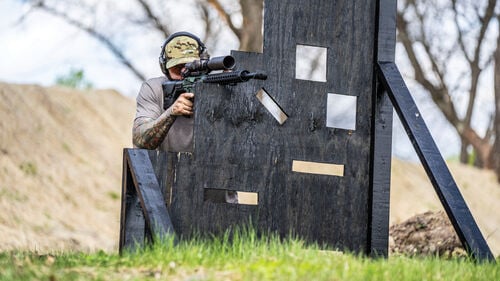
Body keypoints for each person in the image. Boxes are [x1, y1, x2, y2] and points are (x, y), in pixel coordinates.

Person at [132, 31, 237, 203]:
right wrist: (171, 112)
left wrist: (232, 94)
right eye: (177, 69)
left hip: (217, 198)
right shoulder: (154, 89)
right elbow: (140, 139)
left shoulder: (221, 86)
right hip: (167, 192)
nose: (185, 74)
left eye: (190, 67)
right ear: (165, 68)